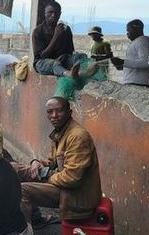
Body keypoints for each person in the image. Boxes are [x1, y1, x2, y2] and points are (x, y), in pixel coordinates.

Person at [13, 97, 101, 226]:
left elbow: (72, 178)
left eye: (59, 111)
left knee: (22, 190)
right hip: (61, 183)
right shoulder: (61, 132)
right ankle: (35, 219)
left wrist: (47, 175)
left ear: (70, 113)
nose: (54, 116)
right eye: (50, 112)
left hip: (75, 196)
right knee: (13, 169)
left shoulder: (77, 136)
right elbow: (53, 161)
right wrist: (36, 162)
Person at [32, 1, 86, 77]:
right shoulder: (38, 31)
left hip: (62, 61)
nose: (53, 15)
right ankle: (68, 74)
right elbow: (42, 56)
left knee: (82, 56)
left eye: (56, 12)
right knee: (55, 63)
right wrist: (56, 36)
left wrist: (65, 55)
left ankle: (84, 72)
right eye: (50, 12)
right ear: (45, 14)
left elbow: (70, 51)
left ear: (60, 14)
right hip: (42, 63)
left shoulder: (66, 30)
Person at [111, 19, 149, 86]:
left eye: (128, 30)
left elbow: (146, 62)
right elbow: (134, 62)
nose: (127, 33)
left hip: (137, 83)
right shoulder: (137, 41)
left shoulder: (142, 41)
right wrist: (122, 66)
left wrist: (123, 62)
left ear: (136, 29)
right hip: (133, 81)